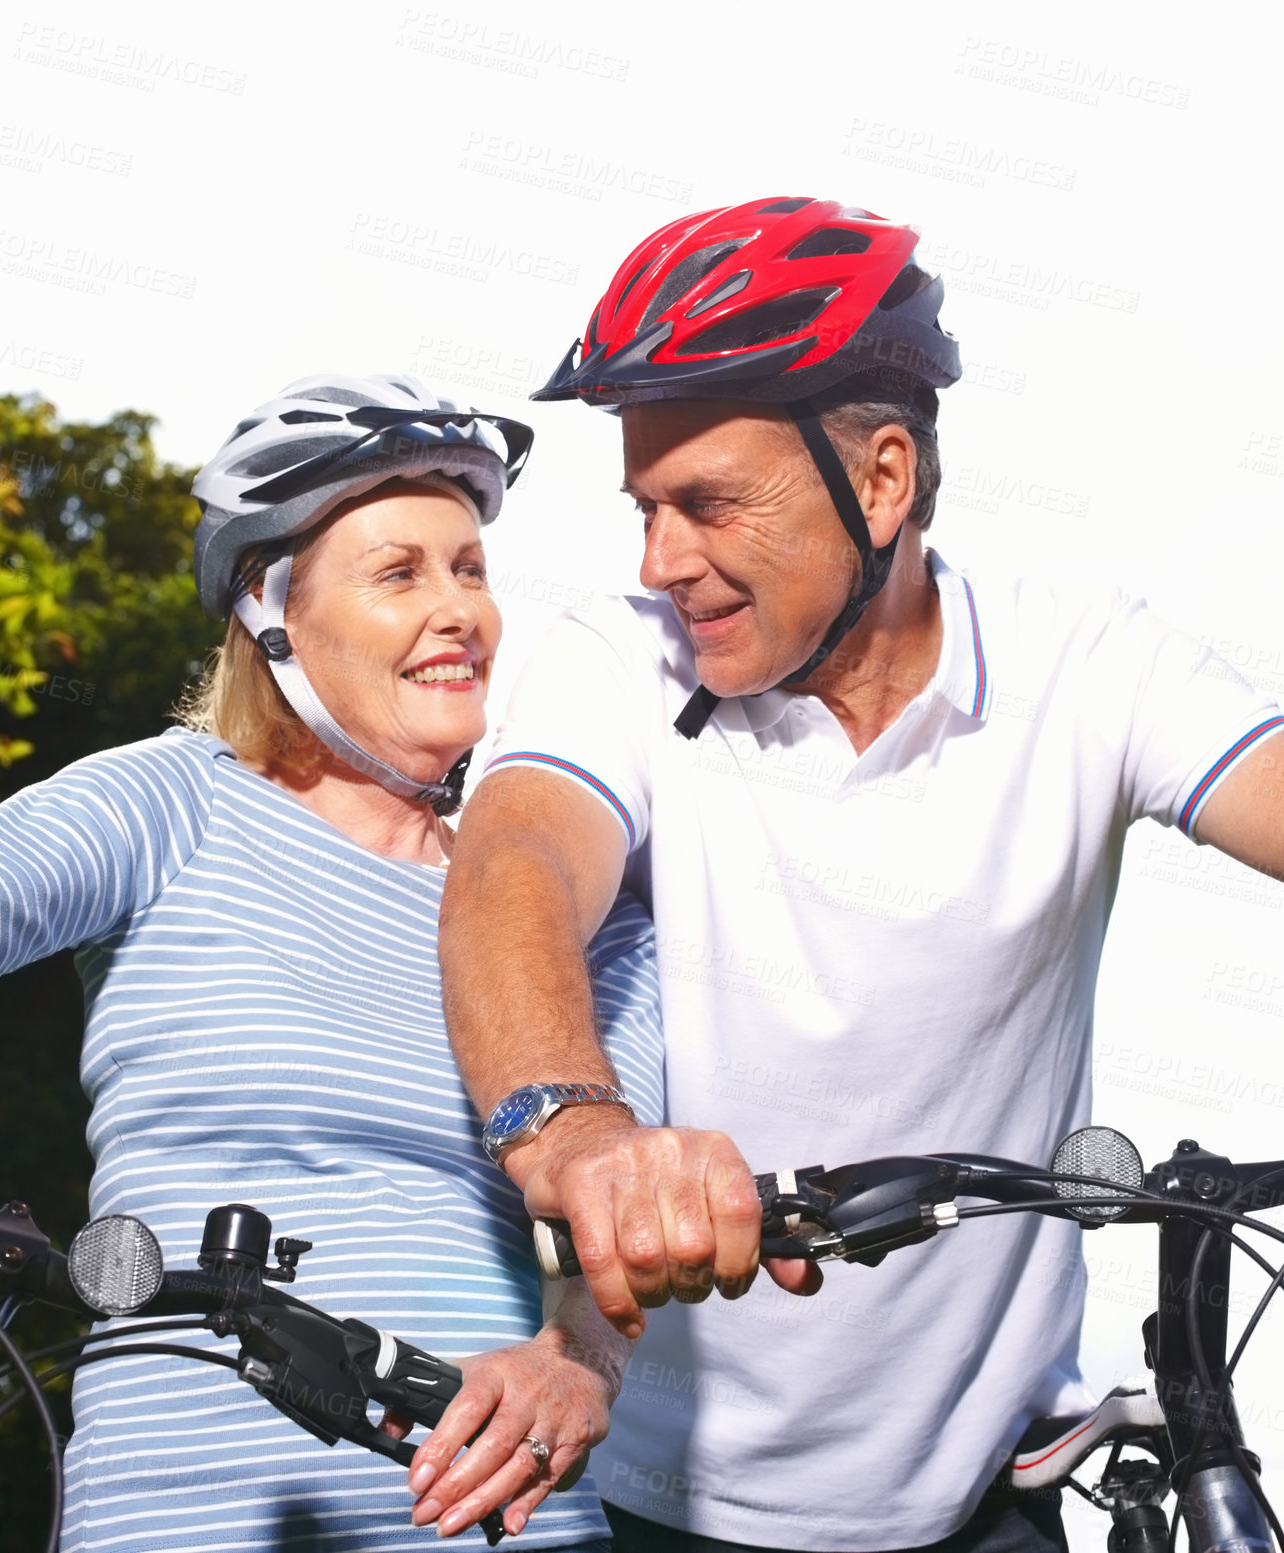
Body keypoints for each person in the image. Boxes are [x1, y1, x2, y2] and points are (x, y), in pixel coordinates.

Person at [436, 197, 1284, 1552]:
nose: (660, 561)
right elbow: (514, 865)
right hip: (674, 1502)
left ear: (879, 480)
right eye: (644, 508)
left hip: (986, 1497)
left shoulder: (1084, 667)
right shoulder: (618, 663)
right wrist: (573, 1129)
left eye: (706, 504)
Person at [0, 372, 665, 1551]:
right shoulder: (173, 801)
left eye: (471, 568)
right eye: (400, 572)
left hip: (510, 1518)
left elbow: (616, 1209)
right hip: (192, 1507)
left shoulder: (573, 908)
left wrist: (581, 1362)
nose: (460, 606)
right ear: (274, 616)